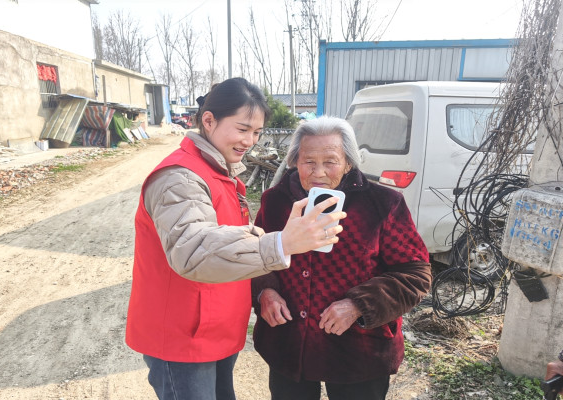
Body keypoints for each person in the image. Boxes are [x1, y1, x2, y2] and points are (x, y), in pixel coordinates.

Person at [125, 78, 346, 400]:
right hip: (182, 335)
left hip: (211, 328)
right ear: (209, 120)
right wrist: (281, 243)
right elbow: (193, 250)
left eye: (256, 132)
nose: (250, 141)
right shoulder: (180, 177)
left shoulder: (217, 171)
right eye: (242, 129)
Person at [251, 116, 433, 400]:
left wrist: (358, 305)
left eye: (330, 161)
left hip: (359, 351)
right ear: (294, 161)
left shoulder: (382, 204)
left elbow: (415, 274)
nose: (319, 172)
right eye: (308, 161)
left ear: (348, 162)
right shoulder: (275, 201)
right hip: (288, 343)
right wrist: (266, 291)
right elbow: (258, 255)